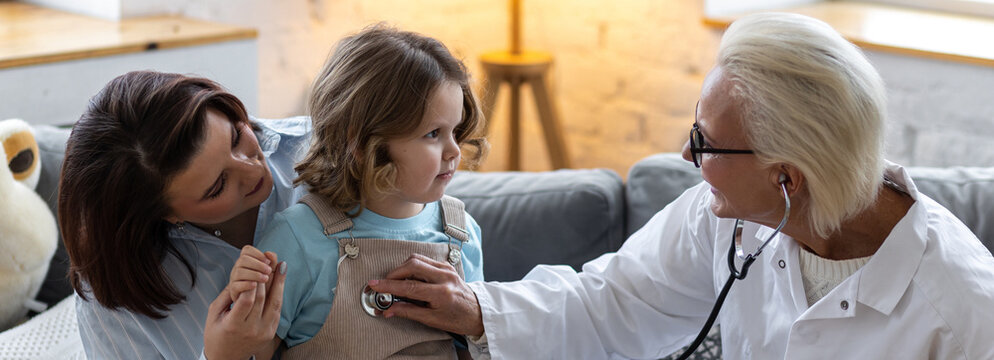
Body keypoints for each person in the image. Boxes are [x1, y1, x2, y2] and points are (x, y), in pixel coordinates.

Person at [366, 12, 994, 359]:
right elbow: (611, 303)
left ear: (787, 177)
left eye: (706, 142)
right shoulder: (728, 214)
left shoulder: (966, 313)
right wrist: (479, 308)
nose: (684, 153)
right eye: (694, 127)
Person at [232, 25, 488, 359]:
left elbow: (481, 344)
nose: (454, 150)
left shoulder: (463, 232)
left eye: (454, 131)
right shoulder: (298, 238)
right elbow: (260, 350)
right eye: (432, 134)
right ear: (361, 143)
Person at [60, 71, 311, 360]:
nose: (253, 169)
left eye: (235, 137)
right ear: (164, 215)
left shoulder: (326, 149)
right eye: (217, 187)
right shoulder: (115, 299)